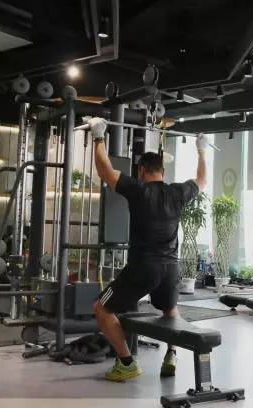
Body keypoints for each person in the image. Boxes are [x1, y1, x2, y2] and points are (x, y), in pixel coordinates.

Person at [88, 117, 208, 382]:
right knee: (170, 310)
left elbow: (105, 171)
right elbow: (202, 180)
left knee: (101, 308)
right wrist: (201, 150)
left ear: (141, 170)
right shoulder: (177, 193)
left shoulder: (139, 190)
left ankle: (126, 363)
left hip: (144, 267)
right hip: (171, 268)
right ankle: (171, 355)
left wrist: (98, 136)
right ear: (162, 172)